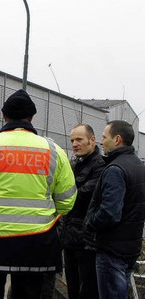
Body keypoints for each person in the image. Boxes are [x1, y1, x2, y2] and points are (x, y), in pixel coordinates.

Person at [0, 89, 77, 299]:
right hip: (37, 243)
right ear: (32, 117)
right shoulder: (53, 150)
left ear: (4, 116)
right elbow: (66, 201)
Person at [84, 120, 145, 299]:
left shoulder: (115, 169)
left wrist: (89, 223)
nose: (101, 142)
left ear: (117, 139)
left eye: (104, 137)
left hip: (112, 250)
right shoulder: (138, 166)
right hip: (130, 248)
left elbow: (109, 213)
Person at [61, 124, 105, 299]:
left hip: (87, 241)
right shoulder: (74, 164)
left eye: (79, 139)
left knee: (87, 291)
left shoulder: (100, 167)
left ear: (92, 140)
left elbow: (80, 196)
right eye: (72, 140)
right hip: (70, 238)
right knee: (72, 289)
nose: (74, 144)